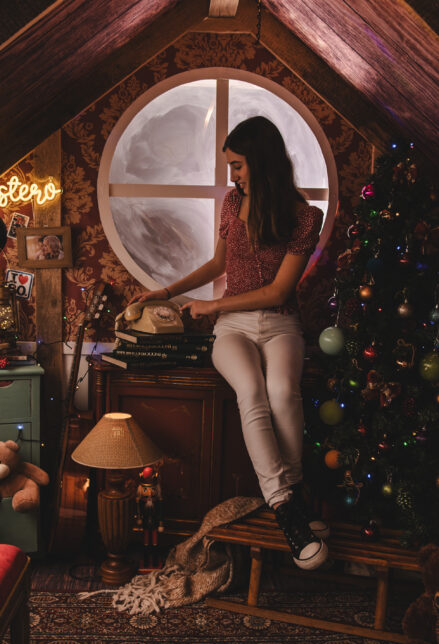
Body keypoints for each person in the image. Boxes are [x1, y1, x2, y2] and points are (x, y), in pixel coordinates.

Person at [128, 116, 329, 570]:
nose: (232, 175)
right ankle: (289, 508)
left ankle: (289, 502)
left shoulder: (305, 217)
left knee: (283, 393)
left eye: (237, 165)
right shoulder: (231, 201)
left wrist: (212, 307)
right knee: (252, 393)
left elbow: (278, 292)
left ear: (261, 160)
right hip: (233, 330)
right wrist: (166, 292)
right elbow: (218, 264)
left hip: (280, 325)